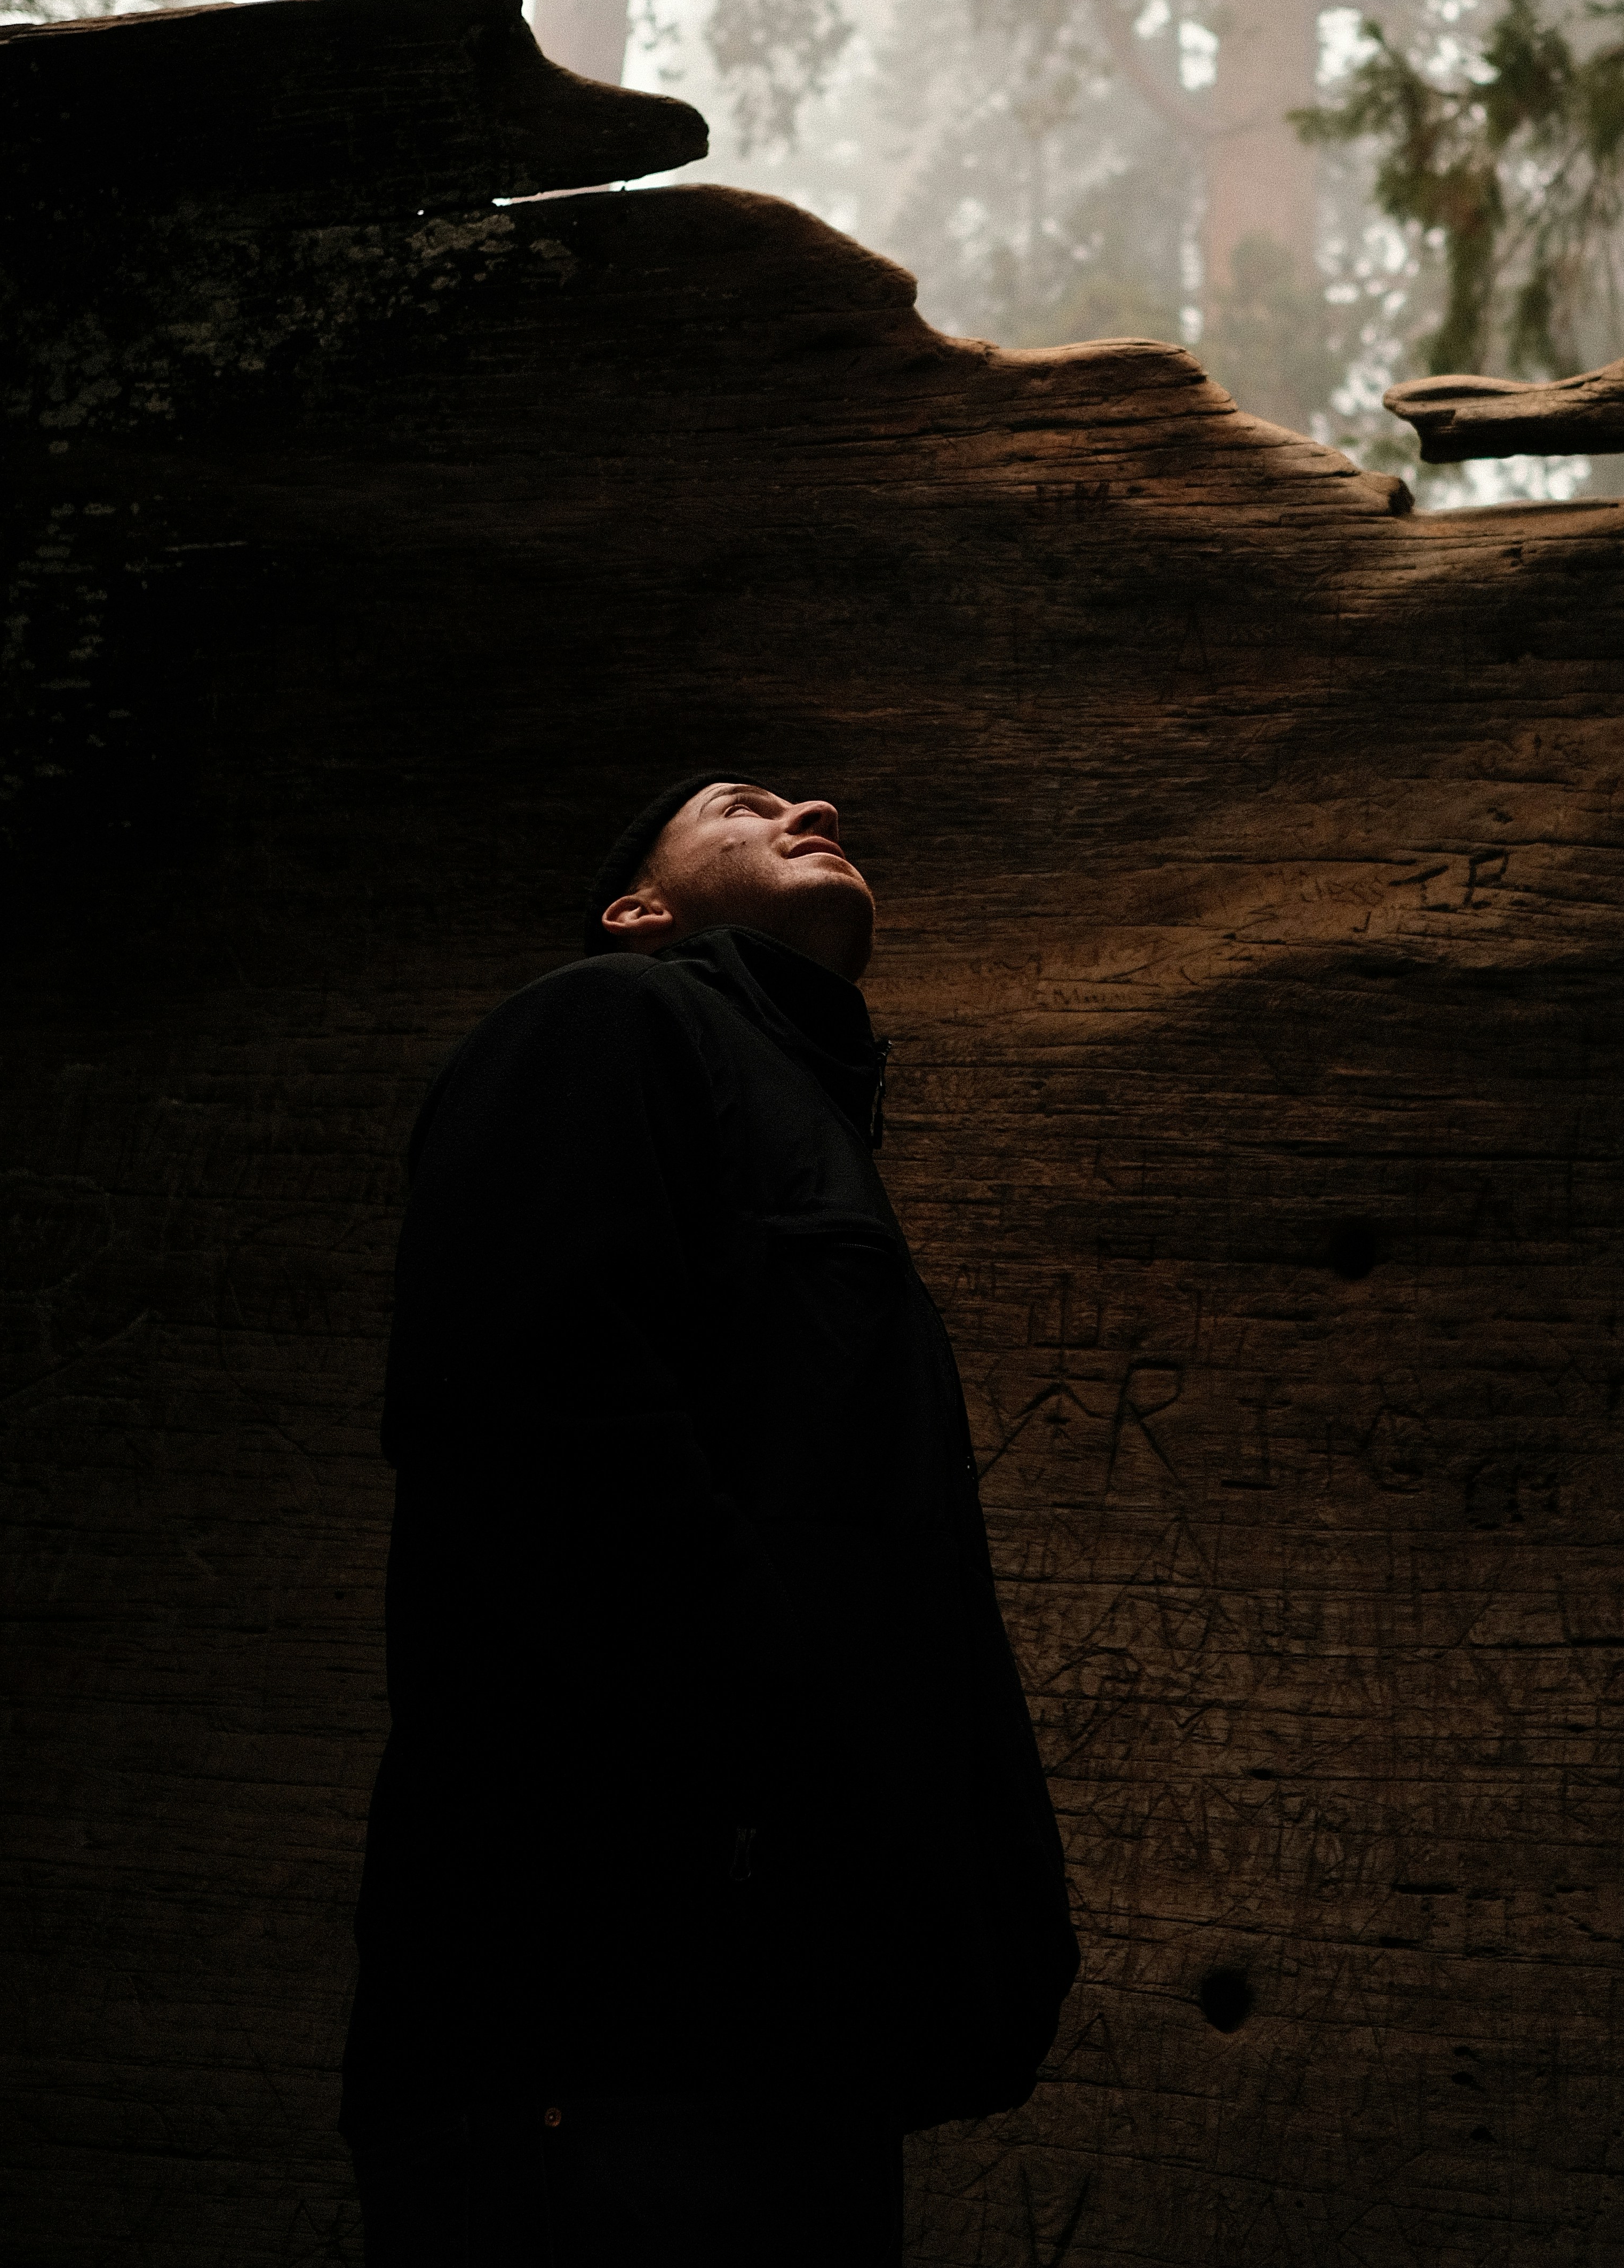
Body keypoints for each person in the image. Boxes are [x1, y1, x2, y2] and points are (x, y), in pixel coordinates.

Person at [338, 770, 1078, 2264]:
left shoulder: (800, 1125)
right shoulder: (609, 1019)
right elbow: (535, 1438)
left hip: (780, 2017)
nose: (809, 804)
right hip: (618, 2014)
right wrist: (781, 1795)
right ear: (638, 910)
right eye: (738, 804)